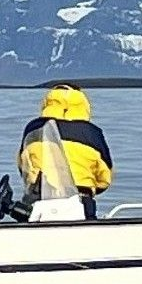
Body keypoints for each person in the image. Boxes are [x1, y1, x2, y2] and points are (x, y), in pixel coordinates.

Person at [15, 84, 113, 220]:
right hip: (81, 202)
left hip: (38, 200)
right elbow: (104, 178)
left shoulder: (33, 128)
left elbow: (23, 165)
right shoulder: (92, 133)